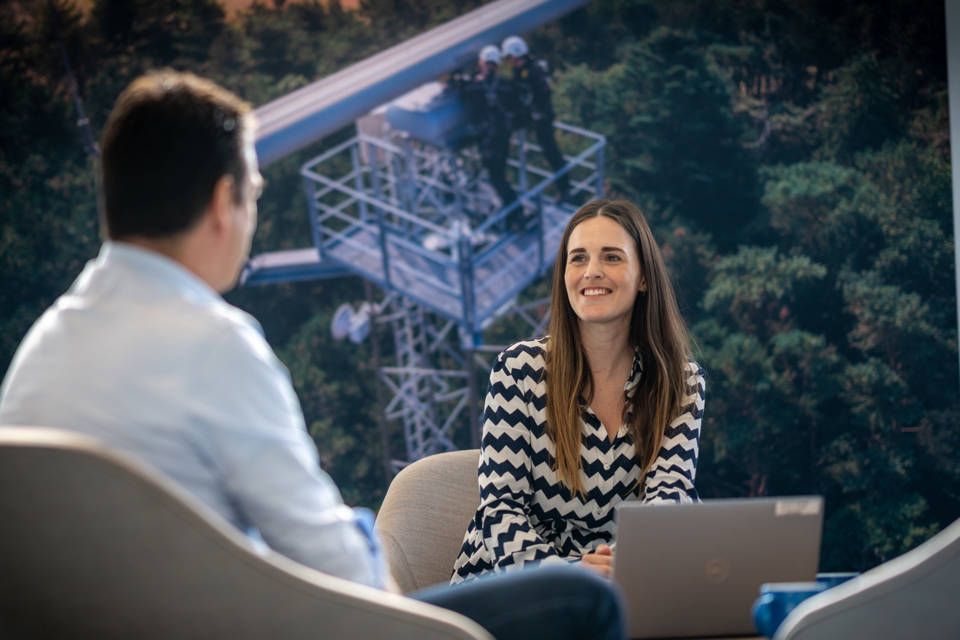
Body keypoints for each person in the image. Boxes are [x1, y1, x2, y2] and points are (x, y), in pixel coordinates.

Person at [0, 70, 624, 640]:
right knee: (578, 597)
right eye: (255, 194)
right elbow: (343, 573)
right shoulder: (216, 344)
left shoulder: (42, 351)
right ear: (224, 203)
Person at [452, 199, 705, 584]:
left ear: (643, 278)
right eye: (578, 258)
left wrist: (628, 562)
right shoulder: (518, 370)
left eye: (612, 258)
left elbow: (669, 495)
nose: (592, 272)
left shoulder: (682, 382)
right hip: (516, 581)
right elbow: (501, 510)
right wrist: (567, 573)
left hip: (622, 578)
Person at [455, 45, 524, 229]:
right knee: (500, 175)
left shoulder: (473, 86)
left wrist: (460, 78)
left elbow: (463, 95)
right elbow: (516, 105)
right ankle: (514, 215)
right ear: (497, 65)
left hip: (487, 140)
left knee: (497, 178)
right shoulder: (505, 85)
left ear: (481, 63)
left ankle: (515, 215)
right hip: (502, 137)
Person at [501, 35, 571, 201]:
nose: (509, 61)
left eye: (509, 57)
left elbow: (541, 94)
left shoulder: (533, 71)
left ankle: (565, 189)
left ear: (515, 55)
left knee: (551, 152)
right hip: (534, 116)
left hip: (541, 117)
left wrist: (534, 111)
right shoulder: (525, 69)